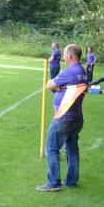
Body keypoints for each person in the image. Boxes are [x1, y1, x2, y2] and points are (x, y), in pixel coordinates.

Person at [37, 44, 88, 192]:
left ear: (71, 56)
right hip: (77, 117)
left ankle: (53, 183)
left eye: (65, 55)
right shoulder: (82, 72)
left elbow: (49, 84)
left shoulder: (70, 71)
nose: (63, 57)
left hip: (64, 117)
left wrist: (57, 87)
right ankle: (71, 181)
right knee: (72, 149)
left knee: (52, 148)